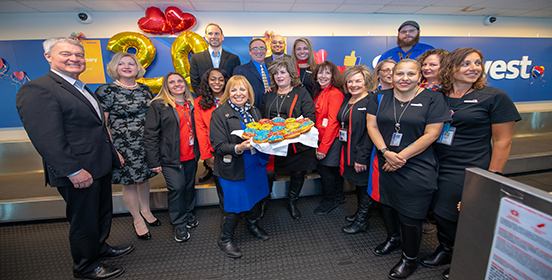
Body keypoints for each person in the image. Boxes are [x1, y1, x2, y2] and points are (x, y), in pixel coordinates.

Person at [16, 37, 133, 279]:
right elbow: (46, 138)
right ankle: (86, 266)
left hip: (98, 165)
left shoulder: (79, 86)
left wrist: (112, 154)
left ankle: (99, 248)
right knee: (84, 221)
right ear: (48, 57)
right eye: (66, 54)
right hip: (79, 170)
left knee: (101, 213)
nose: (74, 59)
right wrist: (72, 170)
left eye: (79, 55)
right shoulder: (38, 89)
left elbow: (97, 128)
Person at [424, 48, 521, 280]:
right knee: (438, 211)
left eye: (477, 63)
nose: (473, 68)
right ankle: (446, 248)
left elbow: (502, 141)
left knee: (461, 214)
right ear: (451, 67)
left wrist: (493, 176)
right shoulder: (438, 95)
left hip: (471, 166)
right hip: (437, 163)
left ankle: (468, 256)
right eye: (466, 63)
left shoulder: (495, 96)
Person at [366, 59, 450, 279]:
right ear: (391, 76)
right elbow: (371, 126)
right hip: (387, 160)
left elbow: (431, 134)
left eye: (410, 74)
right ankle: (394, 239)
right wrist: (386, 152)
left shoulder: (433, 98)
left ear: (419, 76)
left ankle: (409, 259)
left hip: (417, 165)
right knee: (388, 205)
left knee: (410, 215)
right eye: (399, 74)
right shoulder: (379, 97)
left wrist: (400, 157)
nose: (404, 78)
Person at [95, 52, 159, 241]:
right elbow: (103, 124)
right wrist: (112, 150)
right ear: (115, 68)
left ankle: (146, 211)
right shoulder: (106, 91)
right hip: (122, 144)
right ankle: (137, 218)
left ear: (137, 67)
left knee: (144, 178)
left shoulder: (145, 89)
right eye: (121, 63)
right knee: (129, 182)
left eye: (131, 63)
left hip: (144, 142)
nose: (127, 66)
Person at [210, 75, 271, 258]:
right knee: (234, 205)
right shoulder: (220, 113)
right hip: (234, 167)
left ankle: (252, 224)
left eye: (242, 89)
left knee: (256, 197)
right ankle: (225, 239)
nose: (238, 93)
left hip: (255, 164)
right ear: (228, 93)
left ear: (248, 92)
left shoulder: (254, 111)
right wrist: (239, 147)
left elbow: (260, 137)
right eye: (234, 90)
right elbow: (218, 146)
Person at [144, 72, 199, 243]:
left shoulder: (192, 104)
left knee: (189, 187)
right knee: (176, 189)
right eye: (172, 82)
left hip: (191, 155)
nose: (176, 84)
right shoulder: (159, 105)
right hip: (170, 157)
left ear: (185, 84)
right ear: (166, 86)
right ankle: (179, 223)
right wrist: (153, 161)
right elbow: (150, 134)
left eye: (179, 81)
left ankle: (189, 214)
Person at [261, 58, 316, 220]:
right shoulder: (268, 94)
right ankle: (265, 200)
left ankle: (292, 201)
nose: (279, 76)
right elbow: (263, 118)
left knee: (298, 172)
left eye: (282, 72)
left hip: (296, 144)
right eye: (276, 73)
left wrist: (290, 130)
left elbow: (309, 118)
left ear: (291, 74)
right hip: (273, 145)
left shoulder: (301, 93)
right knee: (268, 174)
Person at [336, 65, 376, 234]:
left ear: (366, 81)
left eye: (358, 81)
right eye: (350, 81)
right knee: (359, 186)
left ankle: (362, 221)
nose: (353, 84)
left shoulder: (370, 102)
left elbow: (370, 132)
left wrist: (362, 157)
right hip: (348, 150)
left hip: (362, 153)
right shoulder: (348, 99)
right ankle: (361, 213)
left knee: (364, 186)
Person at [311, 61, 345, 215]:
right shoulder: (320, 92)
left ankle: (330, 200)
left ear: (333, 76)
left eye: (327, 73)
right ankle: (338, 197)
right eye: (320, 72)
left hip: (331, 139)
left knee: (326, 170)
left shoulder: (335, 93)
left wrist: (323, 148)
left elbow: (333, 122)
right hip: (323, 138)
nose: (323, 76)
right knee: (332, 171)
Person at [194, 68, 229, 185]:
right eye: (213, 79)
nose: (217, 83)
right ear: (207, 82)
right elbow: (200, 130)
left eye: (221, 80)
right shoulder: (199, 102)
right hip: (213, 150)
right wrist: (206, 156)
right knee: (221, 186)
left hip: (233, 148)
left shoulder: (233, 99)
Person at [189, 23, 240, 93]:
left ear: (222, 37)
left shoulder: (234, 59)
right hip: (205, 100)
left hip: (227, 100)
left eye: (216, 33)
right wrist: (206, 99)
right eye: (210, 34)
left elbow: (235, 82)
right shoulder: (196, 58)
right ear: (206, 37)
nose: (213, 36)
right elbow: (195, 83)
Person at [233, 38, 271, 108]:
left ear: (266, 51)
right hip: (251, 110)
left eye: (262, 48)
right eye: (255, 48)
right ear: (250, 52)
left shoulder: (273, 69)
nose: (259, 51)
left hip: (272, 110)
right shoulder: (239, 70)